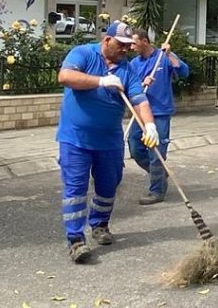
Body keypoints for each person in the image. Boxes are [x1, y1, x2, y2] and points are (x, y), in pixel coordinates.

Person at [55, 21, 158, 264]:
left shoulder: (128, 70)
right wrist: (100, 81)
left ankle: (100, 224)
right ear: (107, 40)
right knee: (75, 189)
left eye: (128, 46)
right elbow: (65, 76)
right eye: (121, 45)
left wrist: (150, 125)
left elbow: (139, 100)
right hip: (75, 139)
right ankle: (76, 240)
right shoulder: (83, 53)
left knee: (109, 185)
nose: (125, 50)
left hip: (109, 141)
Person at [127, 28, 190, 205]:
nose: (131, 46)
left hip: (160, 112)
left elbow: (184, 72)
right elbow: (127, 87)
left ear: (145, 41)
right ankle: (161, 175)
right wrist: (142, 83)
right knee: (135, 149)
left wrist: (170, 55)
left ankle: (157, 191)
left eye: (134, 42)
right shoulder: (133, 64)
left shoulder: (163, 57)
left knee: (156, 152)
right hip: (139, 113)